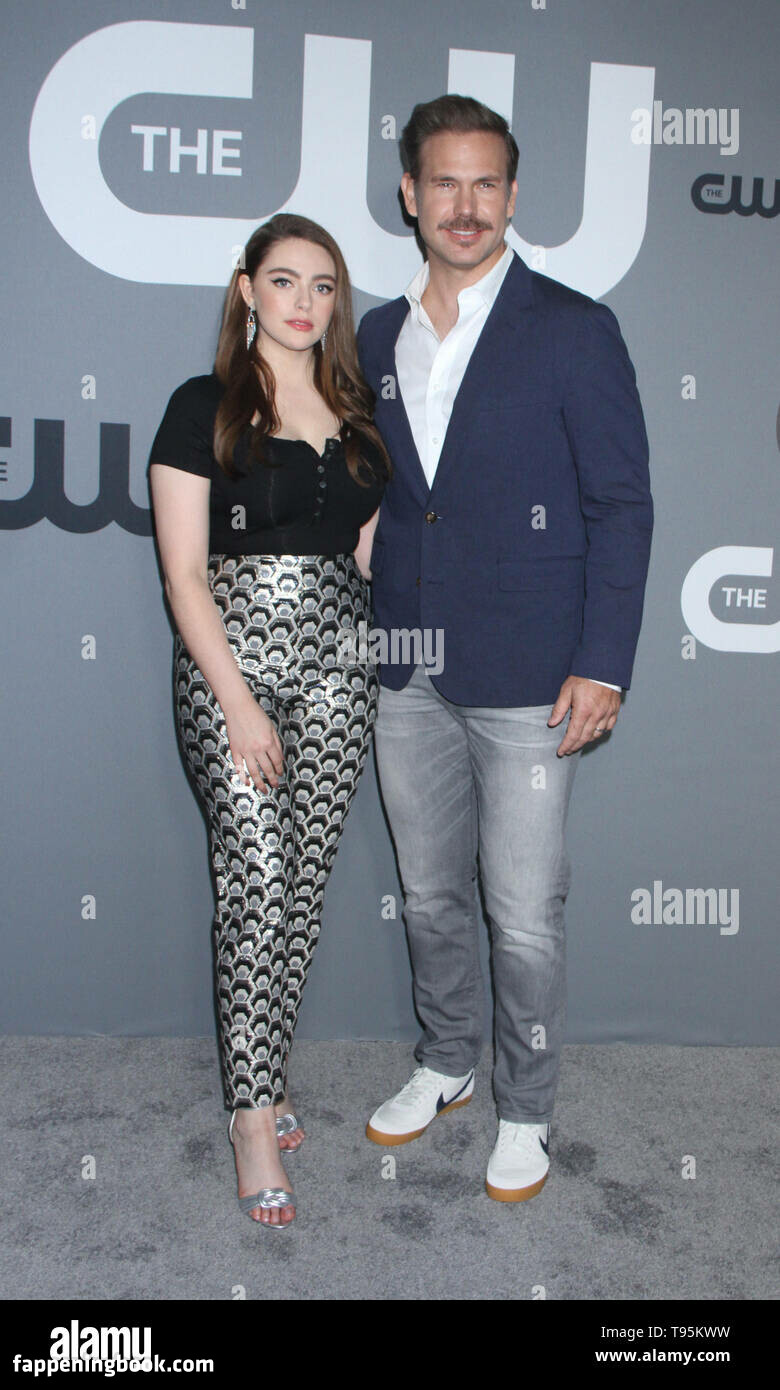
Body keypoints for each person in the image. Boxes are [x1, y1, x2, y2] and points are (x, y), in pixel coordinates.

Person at [356, 96, 653, 1201]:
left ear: (514, 195)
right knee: (429, 892)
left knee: (523, 914)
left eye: (486, 183)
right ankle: (446, 1059)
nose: (466, 205)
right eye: (445, 182)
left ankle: (525, 1107)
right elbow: (389, 492)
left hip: (533, 674)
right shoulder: (374, 336)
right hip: (406, 663)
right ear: (411, 194)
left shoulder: (573, 327)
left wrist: (603, 660)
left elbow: (621, 503)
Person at [148, 213, 390, 1228]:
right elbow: (183, 575)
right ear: (247, 288)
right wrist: (240, 705)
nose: (304, 302)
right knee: (255, 883)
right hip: (231, 669)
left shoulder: (356, 411)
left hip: (342, 668)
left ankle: (269, 1072)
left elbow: (366, 556)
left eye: (323, 286)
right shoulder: (202, 405)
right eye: (284, 280)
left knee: (302, 891)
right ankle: (251, 1120)